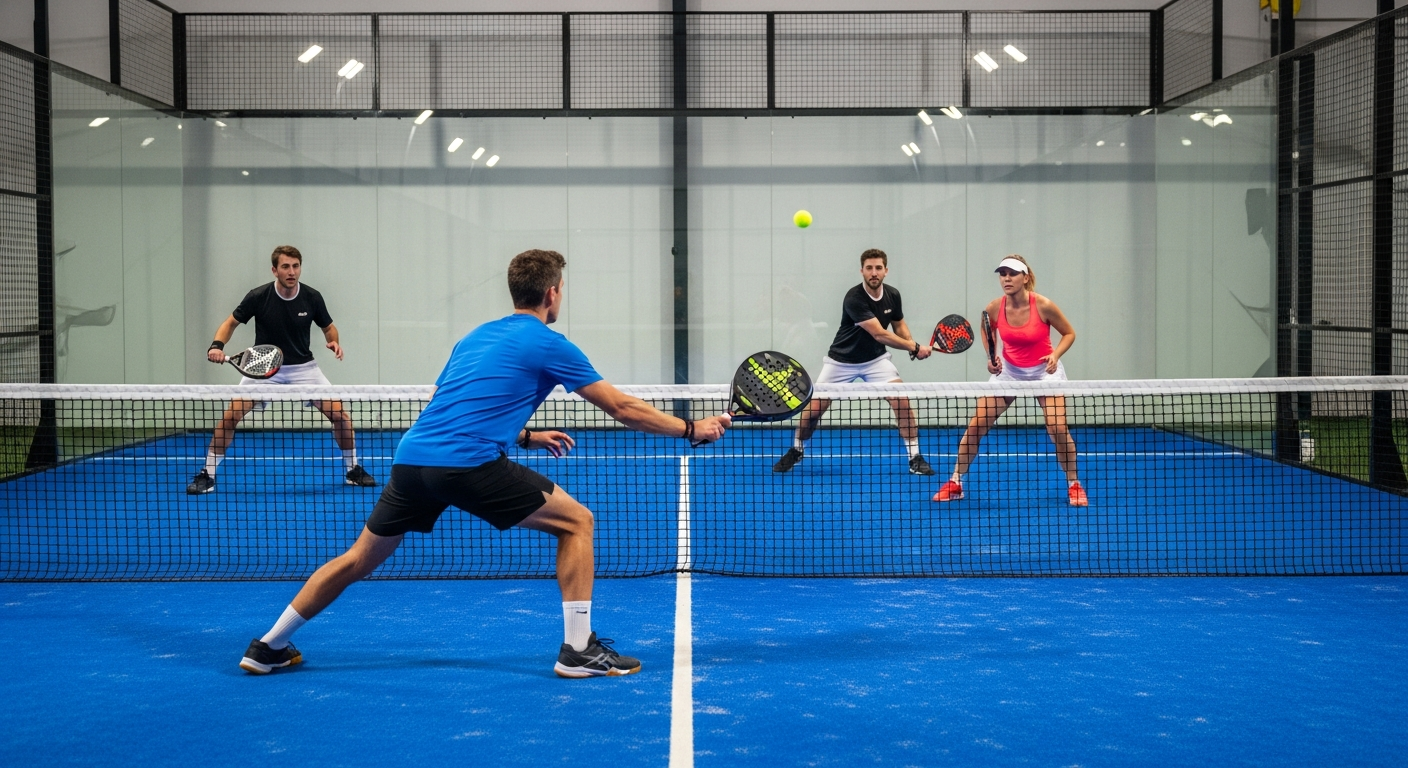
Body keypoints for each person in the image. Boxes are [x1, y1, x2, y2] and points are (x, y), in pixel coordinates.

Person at [238, 249, 731, 678]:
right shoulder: (550, 343)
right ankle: (579, 651)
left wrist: (525, 435)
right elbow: (622, 409)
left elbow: (443, 400)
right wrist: (691, 429)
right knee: (578, 523)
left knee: (357, 560)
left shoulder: (473, 337)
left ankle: (269, 646)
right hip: (467, 464)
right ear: (553, 294)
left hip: (412, 460)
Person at [187, 245, 377, 494]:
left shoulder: (312, 297)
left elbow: (329, 327)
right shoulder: (258, 296)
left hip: (304, 369)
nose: (292, 272)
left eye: (296, 266)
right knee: (230, 417)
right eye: (286, 266)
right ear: (274, 270)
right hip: (264, 368)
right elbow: (230, 323)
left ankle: (353, 469)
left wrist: (334, 342)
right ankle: (207, 474)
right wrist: (216, 346)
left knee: (340, 415)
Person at [934, 255, 1087, 506]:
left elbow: (1069, 333)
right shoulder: (995, 307)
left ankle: (1074, 484)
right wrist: (991, 357)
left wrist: (1055, 355)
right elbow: (986, 330)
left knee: (1057, 428)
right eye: (1002, 273)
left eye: (1012, 273)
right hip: (1009, 372)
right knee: (976, 426)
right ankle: (955, 482)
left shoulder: (1044, 306)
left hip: (1044, 372)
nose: (1006, 278)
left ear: (1025, 278)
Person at [772, 248, 936, 475]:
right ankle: (797, 450)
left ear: (886, 271)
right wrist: (915, 348)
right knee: (813, 411)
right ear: (862, 271)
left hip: (876, 359)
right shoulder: (854, 298)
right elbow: (880, 334)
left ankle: (915, 457)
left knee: (902, 401)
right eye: (869, 268)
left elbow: (898, 324)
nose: (874, 272)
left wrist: (910, 340)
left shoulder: (893, 295)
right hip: (841, 361)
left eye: (878, 268)